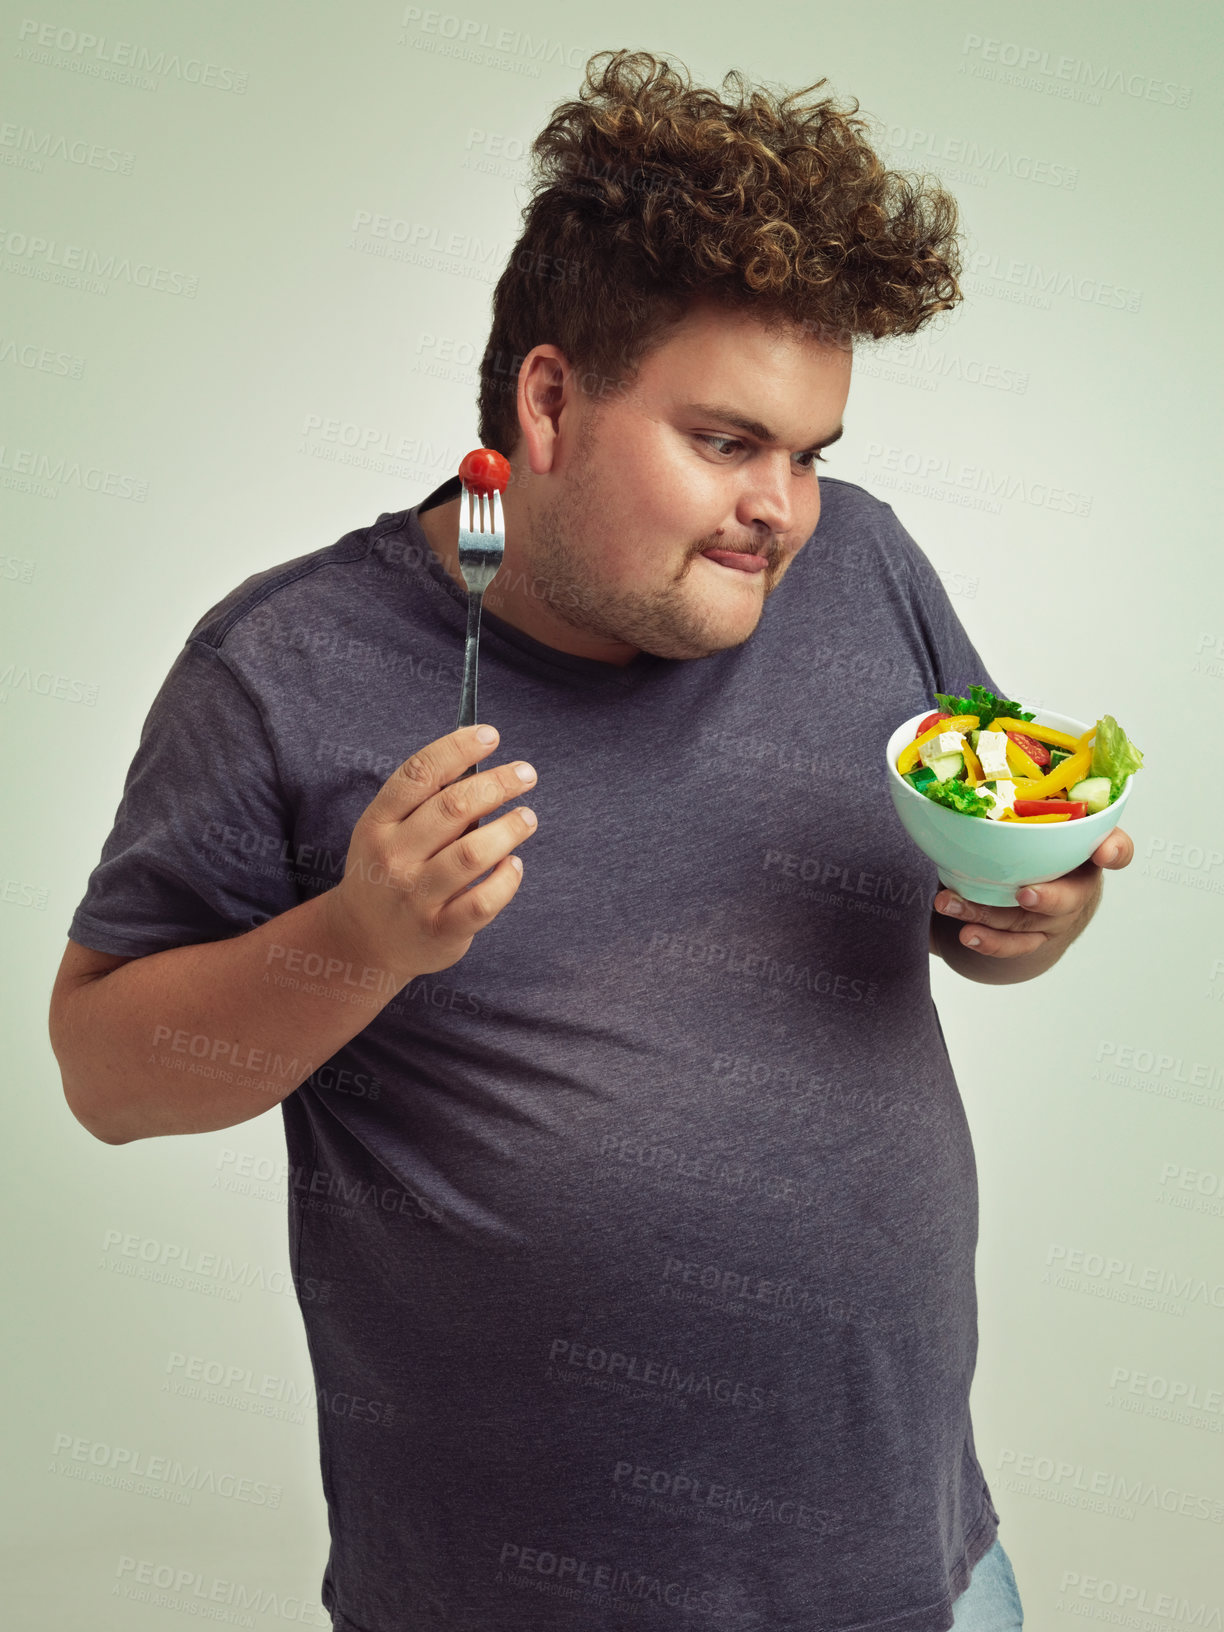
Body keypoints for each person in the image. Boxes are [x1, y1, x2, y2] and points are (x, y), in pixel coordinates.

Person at [49, 49, 1131, 1632]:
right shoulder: (280, 670)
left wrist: (1032, 914)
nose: (786, 509)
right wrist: (358, 942)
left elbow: (989, 869)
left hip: (928, 1581)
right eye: (727, 441)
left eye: (812, 452)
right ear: (548, 402)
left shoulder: (867, 569)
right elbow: (106, 1077)